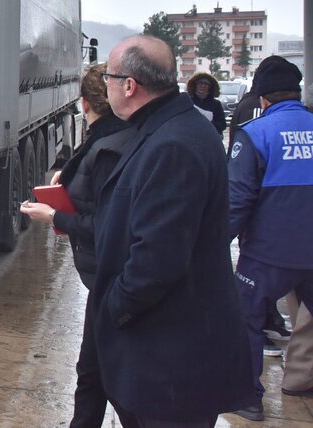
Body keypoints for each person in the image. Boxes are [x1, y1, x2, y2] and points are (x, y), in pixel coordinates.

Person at [90, 35, 251, 426]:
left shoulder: (173, 144)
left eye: (108, 78)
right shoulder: (171, 127)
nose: (105, 87)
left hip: (170, 364)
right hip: (169, 356)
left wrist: (114, 309)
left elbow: (157, 260)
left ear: (128, 85)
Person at [20, 63, 134, 428]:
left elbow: (106, 225)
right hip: (110, 280)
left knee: (103, 377)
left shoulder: (106, 150)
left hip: (113, 281)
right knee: (91, 373)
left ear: (84, 104)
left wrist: (54, 215)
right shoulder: (126, 138)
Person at [228, 56, 313, 421]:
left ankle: (247, 397)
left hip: (268, 253)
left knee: (245, 319)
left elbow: (237, 198)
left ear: (262, 99)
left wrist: (214, 241)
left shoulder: (256, 133)